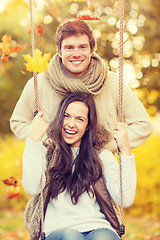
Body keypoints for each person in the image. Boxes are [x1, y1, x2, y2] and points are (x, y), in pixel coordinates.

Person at [10, 19, 153, 152]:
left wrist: (108, 146)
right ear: (59, 51)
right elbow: (18, 122)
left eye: (82, 47)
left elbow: (143, 125)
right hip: (53, 170)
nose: (76, 54)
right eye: (69, 48)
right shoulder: (40, 83)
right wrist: (47, 141)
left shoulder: (113, 82)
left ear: (92, 50)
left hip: (100, 170)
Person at [22, 92, 137, 240]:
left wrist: (126, 150)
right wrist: (33, 140)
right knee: (71, 237)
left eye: (80, 119)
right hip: (57, 231)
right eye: (66, 116)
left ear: (88, 125)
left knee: (104, 238)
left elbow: (125, 199)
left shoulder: (101, 157)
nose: (71, 124)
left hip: (98, 227)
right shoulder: (47, 152)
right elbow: (32, 187)